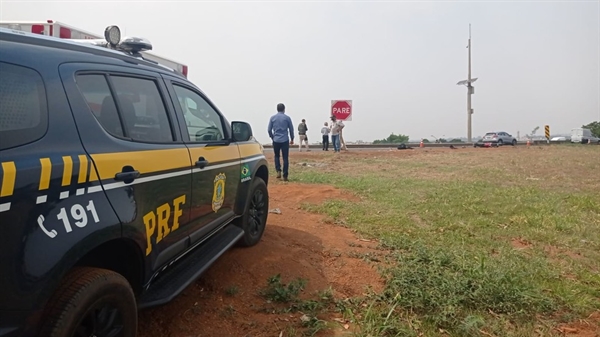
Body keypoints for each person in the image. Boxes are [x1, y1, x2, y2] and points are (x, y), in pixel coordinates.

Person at [267, 103, 294, 181]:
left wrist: (272, 137)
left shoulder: (272, 118)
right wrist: (292, 138)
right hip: (285, 139)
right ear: (284, 109)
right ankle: (285, 175)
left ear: (277, 109)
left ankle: (278, 170)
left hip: (276, 139)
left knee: (276, 156)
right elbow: (291, 129)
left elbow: (269, 130)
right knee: (285, 158)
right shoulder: (287, 118)